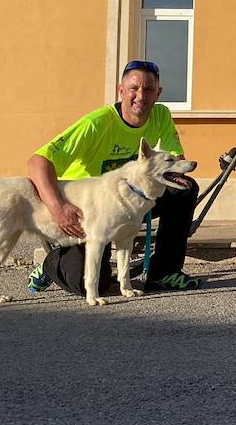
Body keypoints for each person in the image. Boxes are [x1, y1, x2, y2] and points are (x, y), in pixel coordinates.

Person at [26, 59, 199, 295]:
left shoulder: (160, 115)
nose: (141, 96)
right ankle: (51, 265)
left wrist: (177, 173)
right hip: (85, 209)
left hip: (128, 201)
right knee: (91, 285)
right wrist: (58, 208)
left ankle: (164, 273)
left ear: (158, 93)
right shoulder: (95, 124)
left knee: (184, 188)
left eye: (148, 89)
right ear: (120, 91)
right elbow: (37, 162)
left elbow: (175, 161)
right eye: (134, 89)